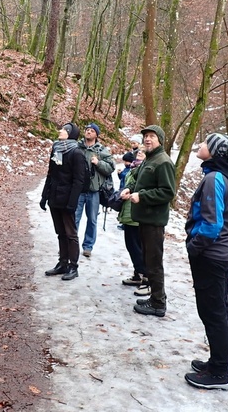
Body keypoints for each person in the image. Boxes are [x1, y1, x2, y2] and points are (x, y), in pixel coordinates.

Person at [183, 133, 228, 391]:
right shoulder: (222, 177)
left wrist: (194, 247)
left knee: (214, 312)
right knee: (216, 310)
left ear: (215, 152)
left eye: (205, 143)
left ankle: (219, 373)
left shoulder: (214, 178)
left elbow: (212, 224)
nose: (200, 145)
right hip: (218, 254)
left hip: (211, 255)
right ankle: (216, 362)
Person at [120, 125, 175, 317]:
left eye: (152, 136)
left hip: (154, 221)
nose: (147, 139)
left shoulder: (163, 161)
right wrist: (130, 188)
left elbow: (168, 192)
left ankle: (158, 304)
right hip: (143, 219)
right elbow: (141, 181)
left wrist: (141, 196)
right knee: (148, 260)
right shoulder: (149, 159)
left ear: (160, 139)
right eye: (145, 137)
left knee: (154, 262)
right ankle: (154, 298)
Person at [39, 122, 88, 281]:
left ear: (72, 134)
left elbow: (78, 181)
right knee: (60, 232)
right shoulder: (56, 149)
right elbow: (50, 174)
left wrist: (72, 203)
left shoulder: (77, 153)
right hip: (54, 198)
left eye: (65, 130)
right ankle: (63, 263)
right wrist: (44, 196)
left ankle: (73, 266)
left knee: (70, 234)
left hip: (67, 199)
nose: (61, 131)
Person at [74, 123, 115, 257]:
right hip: (78, 190)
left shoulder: (102, 150)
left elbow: (111, 167)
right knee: (74, 218)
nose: (89, 132)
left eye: (92, 131)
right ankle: (70, 244)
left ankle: (88, 247)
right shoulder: (77, 147)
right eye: (87, 130)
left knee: (92, 220)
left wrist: (98, 163)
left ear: (97, 135)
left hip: (94, 191)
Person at [118, 149, 146, 287]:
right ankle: (137, 274)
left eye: (143, 151)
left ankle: (143, 275)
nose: (140, 152)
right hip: (128, 211)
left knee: (136, 246)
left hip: (136, 213)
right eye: (139, 151)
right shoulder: (133, 167)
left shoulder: (145, 168)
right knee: (131, 245)